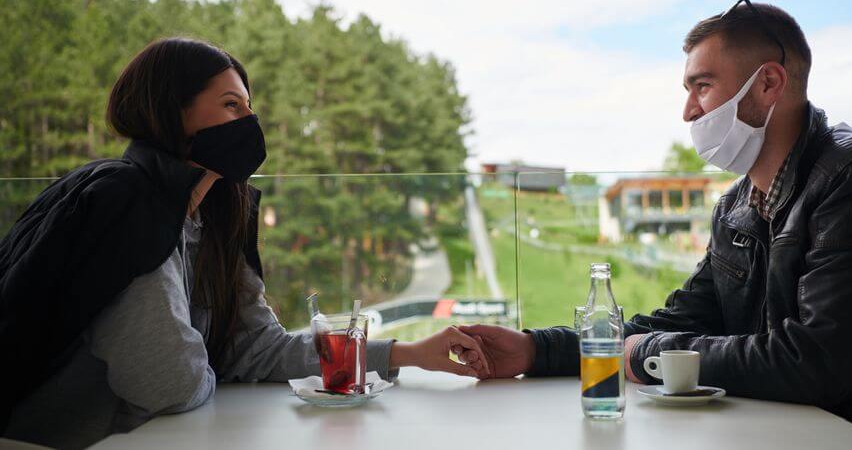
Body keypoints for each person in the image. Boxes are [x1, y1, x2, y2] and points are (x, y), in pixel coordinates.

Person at [455, 0, 852, 449]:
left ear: (768, 85)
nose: (689, 112)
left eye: (703, 86)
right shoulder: (739, 205)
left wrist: (645, 355)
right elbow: (682, 317)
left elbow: (815, 360)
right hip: (820, 431)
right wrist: (534, 349)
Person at [0, 38, 489, 449]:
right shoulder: (126, 201)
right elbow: (168, 385)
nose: (248, 124)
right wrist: (216, 367)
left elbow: (256, 349)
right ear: (171, 111)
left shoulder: (213, 215)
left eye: (249, 108)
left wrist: (407, 354)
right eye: (231, 105)